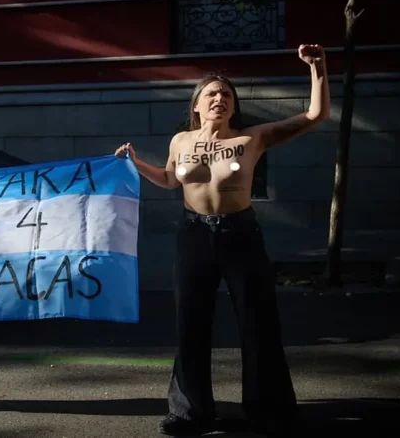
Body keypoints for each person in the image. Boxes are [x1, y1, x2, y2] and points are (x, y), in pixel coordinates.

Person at [116, 44, 329, 437]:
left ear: (233, 106)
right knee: (190, 324)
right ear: (197, 105)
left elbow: (315, 115)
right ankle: (189, 413)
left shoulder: (252, 138)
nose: (220, 99)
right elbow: (170, 180)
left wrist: (317, 67)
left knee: (257, 323)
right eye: (212, 94)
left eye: (227, 95)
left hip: (240, 235)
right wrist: (135, 163)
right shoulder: (180, 141)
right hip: (194, 235)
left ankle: (268, 412)